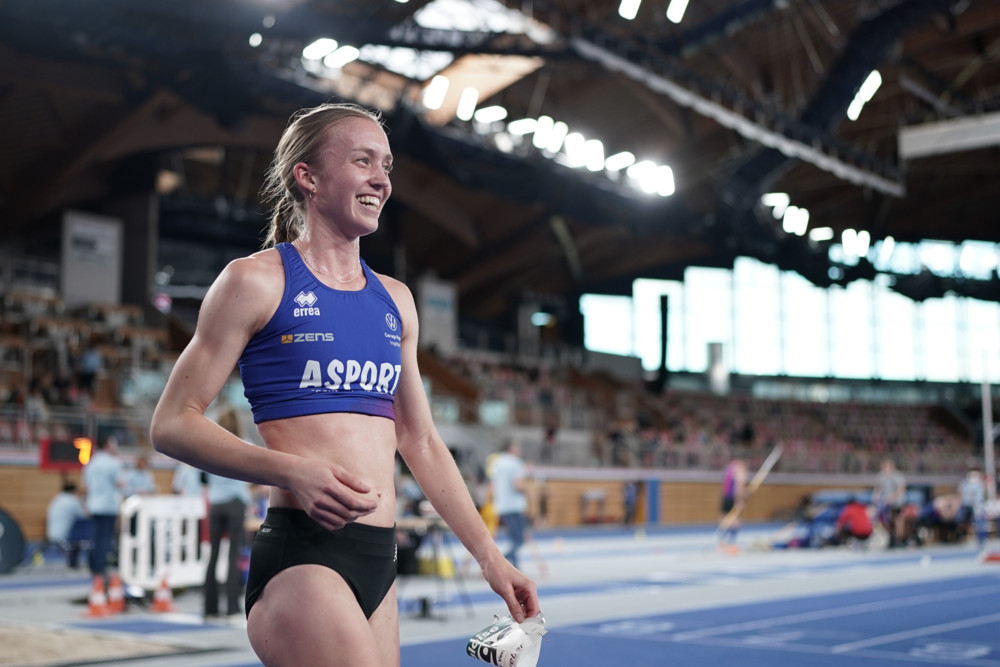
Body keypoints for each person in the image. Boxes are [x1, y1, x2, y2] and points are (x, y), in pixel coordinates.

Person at [150, 102, 539, 667]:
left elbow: (421, 441)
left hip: (379, 559)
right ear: (307, 177)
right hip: (304, 558)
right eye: (363, 161)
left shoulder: (396, 300)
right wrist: (291, 471)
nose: (382, 179)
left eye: (386, 165)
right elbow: (172, 423)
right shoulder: (255, 281)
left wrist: (489, 557)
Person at [204, 408, 253, 620]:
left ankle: (210, 608)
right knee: (234, 554)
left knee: (214, 554)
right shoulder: (245, 444)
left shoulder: (209, 447)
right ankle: (232, 607)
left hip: (216, 504)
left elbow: (203, 476)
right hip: (235, 503)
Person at [82, 434, 125, 577]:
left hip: (94, 505)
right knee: (105, 537)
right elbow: (119, 483)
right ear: (107, 445)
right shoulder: (113, 463)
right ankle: (100, 568)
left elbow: (86, 486)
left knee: (95, 536)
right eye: (113, 444)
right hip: (108, 505)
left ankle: (93, 565)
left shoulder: (91, 463)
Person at [489, 438, 530, 569]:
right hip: (514, 506)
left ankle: (515, 566)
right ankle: (502, 560)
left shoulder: (497, 463)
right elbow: (517, 485)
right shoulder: (516, 463)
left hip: (501, 506)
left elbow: (492, 485)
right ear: (511, 448)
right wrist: (528, 491)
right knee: (519, 539)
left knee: (513, 539)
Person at [46, 480, 91, 568]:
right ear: (74, 491)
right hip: (66, 536)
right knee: (85, 526)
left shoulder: (56, 499)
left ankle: (73, 561)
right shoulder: (73, 501)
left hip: (51, 533)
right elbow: (85, 516)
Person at [872, 458, 906, 548]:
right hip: (885, 503)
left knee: (897, 520)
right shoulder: (880, 476)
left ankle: (900, 539)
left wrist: (892, 498)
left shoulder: (897, 476)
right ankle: (890, 539)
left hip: (896, 502)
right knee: (885, 521)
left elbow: (901, 489)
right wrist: (876, 496)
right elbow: (877, 488)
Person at [718, 458, 747, 549]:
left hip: (725, 497)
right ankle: (731, 542)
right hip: (733, 498)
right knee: (736, 519)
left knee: (724, 518)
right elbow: (738, 486)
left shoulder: (729, 469)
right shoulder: (740, 470)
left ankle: (722, 541)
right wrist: (739, 500)